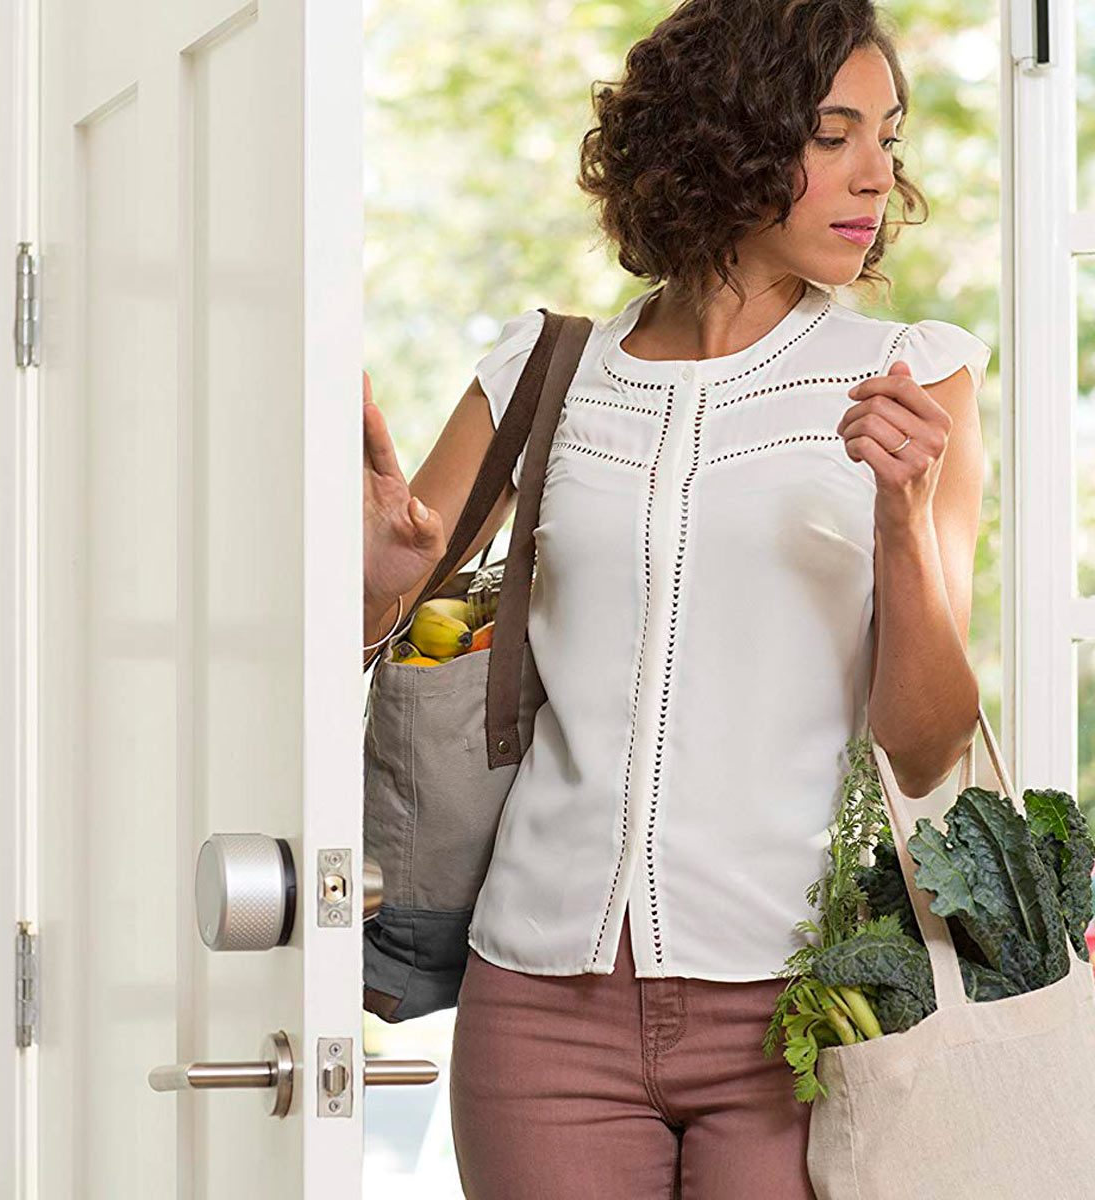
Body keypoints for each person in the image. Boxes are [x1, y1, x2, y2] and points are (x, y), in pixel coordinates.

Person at [361, 1, 992, 1196]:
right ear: (724, 141)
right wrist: (381, 588)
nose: (877, 176)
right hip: (539, 1001)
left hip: (806, 1010)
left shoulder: (918, 376)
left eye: (890, 138)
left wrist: (903, 525)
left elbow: (927, 745)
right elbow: (374, 631)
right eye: (832, 134)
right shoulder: (543, 373)